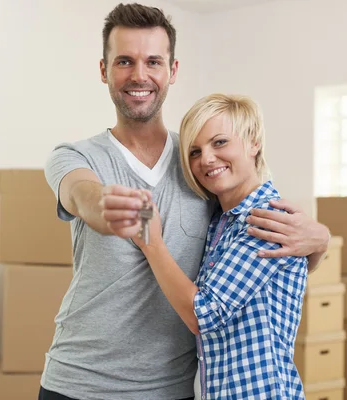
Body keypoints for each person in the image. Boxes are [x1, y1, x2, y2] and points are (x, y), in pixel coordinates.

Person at [40, 3, 328, 400]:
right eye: (124, 61)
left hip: (172, 391)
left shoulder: (201, 168)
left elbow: (251, 258)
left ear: (172, 71)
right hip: (78, 385)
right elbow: (79, 193)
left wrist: (320, 241)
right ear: (104, 70)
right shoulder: (76, 156)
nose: (139, 75)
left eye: (153, 61)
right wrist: (102, 204)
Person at [131, 93, 307, 399]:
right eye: (195, 152)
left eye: (220, 142)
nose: (207, 159)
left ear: (254, 143)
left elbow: (204, 314)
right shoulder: (220, 223)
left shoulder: (268, 221)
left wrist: (151, 243)